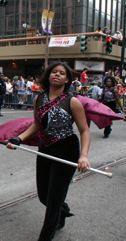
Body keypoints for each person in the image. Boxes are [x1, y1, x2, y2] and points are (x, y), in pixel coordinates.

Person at [6, 62, 90, 240]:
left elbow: (84, 130)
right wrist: (19, 139)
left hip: (67, 150)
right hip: (45, 148)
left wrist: (83, 156)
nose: (57, 75)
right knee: (44, 196)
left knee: (52, 201)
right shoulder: (39, 99)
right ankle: (63, 209)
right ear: (48, 75)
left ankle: (47, 234)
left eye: (62, 73)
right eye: (54, 72)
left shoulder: (72, 102)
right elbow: (37, 125)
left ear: (67, 79)